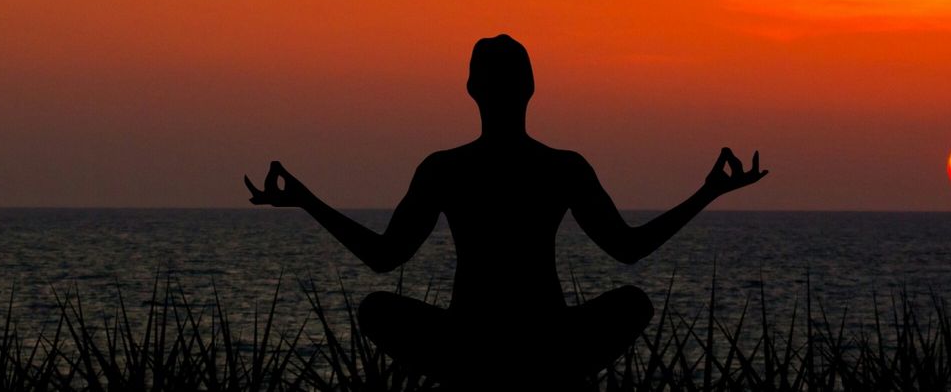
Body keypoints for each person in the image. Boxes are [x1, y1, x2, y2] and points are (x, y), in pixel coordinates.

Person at [246, 34, 766, 390]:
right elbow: (627, 249)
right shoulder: (560, 167)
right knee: (632, 302)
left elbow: (385, 258)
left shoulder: (445, 168)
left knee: (377, 309)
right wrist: (707, 193)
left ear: (473, 89)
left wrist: (306, 201)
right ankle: (542, 378)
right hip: (546, 341)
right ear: (530, 89)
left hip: (468, 343)